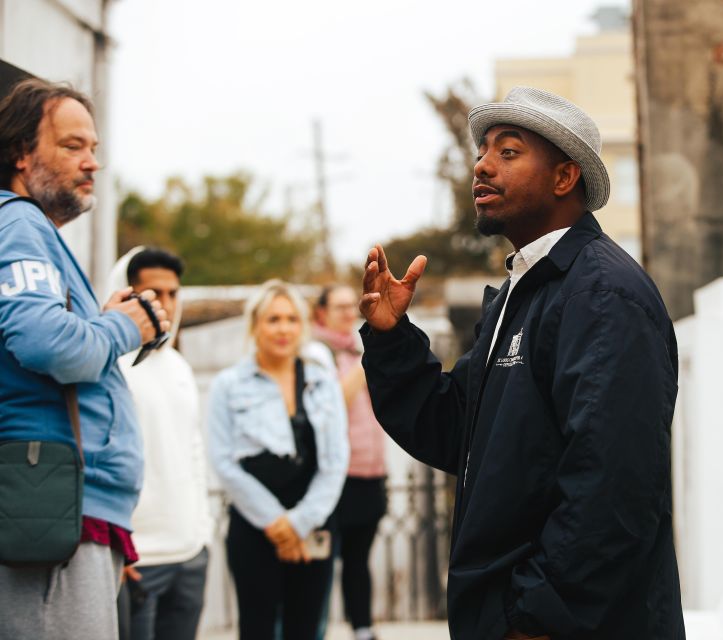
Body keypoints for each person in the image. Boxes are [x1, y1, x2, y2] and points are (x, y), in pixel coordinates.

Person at [358, 87, 685, 639]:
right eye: (482, 151)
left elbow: (614, 482)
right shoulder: (523, 292)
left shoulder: (602, 294)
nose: (482, 166)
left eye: (508, 152)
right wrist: (391, 339)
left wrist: (534, 618)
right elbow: (454, 430)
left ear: (564, 178)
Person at [0, 78, 170, 638]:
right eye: (72, 146)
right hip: (51, 509)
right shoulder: (19, 223)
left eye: (94, 148)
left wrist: (101, 321)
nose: (91, 162)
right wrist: (125, 325)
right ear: (21, 153)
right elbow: (50, 345)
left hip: (64, 507)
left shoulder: (33, 232)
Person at [207, 279, 349, 640]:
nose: (283, 328)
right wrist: (276, 524)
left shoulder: (321, 379)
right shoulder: (229, 384)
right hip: (255, 525)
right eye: (273, 319)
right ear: (255, 325)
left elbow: (335, 459)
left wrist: (299, 523)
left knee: (306, 627)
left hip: (313, 521)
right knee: (256, 627)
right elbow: (223, 462)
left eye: (291, 319)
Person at [108, 247, 213, 640]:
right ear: (126, 292)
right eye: (153, 293)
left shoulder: (178, 367)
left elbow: (193, 451)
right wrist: (116, 551)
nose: (166, 304)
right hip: (138, 559)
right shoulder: (109, 364)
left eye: (173, 293)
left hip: (189, 555)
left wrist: (201, 534)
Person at [314, 285, 388, 640]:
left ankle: (362, 628)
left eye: (351, 306)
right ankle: (316, 628)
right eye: (339, 307)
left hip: (370, 471)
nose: (348, 313)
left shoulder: (356, 348)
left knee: (359, 561)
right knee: (323, 562)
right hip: (336, 475)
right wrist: (363, 360)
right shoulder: (318, 353)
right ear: (321, 313)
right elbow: (334, 402)